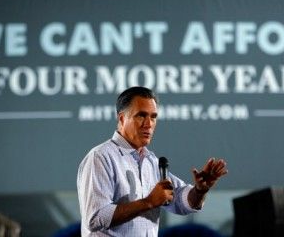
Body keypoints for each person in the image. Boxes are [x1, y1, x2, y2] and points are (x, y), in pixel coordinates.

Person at [77, 86, 228, 236]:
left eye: (153, 117)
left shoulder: (151, 161)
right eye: (141, 115)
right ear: (122, 118)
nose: (149, 124)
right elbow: (95, 217)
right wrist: (148, 202)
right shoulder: (101, 157)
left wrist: (199, 191)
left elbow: (181, 201)